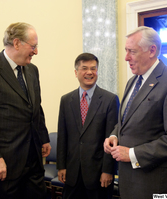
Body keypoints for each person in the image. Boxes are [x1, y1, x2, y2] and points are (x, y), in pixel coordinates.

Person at [103, 26, 167, 199]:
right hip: (128, 181)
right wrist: (114, 136)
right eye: (126, 51)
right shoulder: (133, 81)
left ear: (152, 50)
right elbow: (126, 121)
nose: (126, 57)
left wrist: (131, 154)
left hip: (154, 182)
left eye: (132, 51)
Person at [0, 22, 51, 199]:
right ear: (17, 43)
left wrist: (43, 138)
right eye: (33, 46)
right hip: (3, 164)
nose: (36, 52)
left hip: (33, 161)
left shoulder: (32, 70)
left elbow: (36, 107)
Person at [57, 53, 119, 199]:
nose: (89, 72)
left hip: (98, 174)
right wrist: (61, 166)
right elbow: (62, 135)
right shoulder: (66, 100)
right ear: (76, 72)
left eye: (93, 68)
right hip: (72, 173)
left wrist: (108, 171)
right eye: (84, 68)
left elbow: (112, 138)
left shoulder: (110, 100)